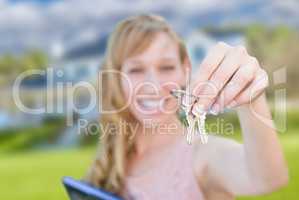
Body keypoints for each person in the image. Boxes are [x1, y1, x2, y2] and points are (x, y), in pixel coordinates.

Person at [84, 14, 288, 200]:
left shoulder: (203, 155)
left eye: (166, 67)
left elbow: (267, 178)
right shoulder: (115, 152)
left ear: (185, 70)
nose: (154, 85)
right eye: (136, 69)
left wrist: (251, 96)